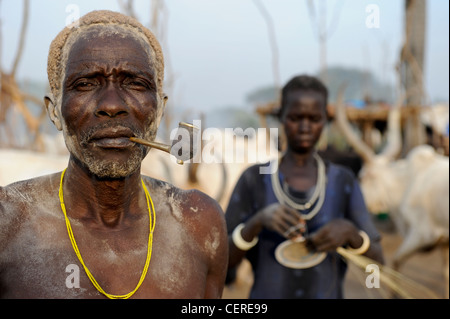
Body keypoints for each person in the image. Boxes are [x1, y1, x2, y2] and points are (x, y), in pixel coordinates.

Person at [0, 10, 228, 299]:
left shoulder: (198, 223)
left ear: (158, 112)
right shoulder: (8, 223)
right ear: (54, 112)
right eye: (85, 84)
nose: (111, 105)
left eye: (134, 83)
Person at [225, 75, 384, 299]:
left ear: (326, 120)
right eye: (295, 117)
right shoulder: (254, 179)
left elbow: (376, 272)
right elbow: (222, 267)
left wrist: (353, 235)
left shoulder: (343, 181)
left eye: (314, 118)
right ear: (280, 117)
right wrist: (256, 223)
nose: (305, 127)